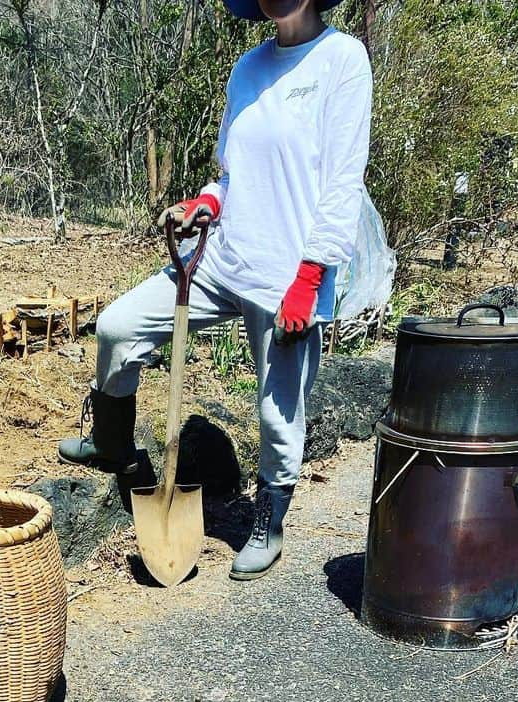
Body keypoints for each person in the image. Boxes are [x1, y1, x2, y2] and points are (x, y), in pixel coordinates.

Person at [59, 0, 372, 580]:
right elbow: (232, 174)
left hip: (288, 280)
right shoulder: (248, 67)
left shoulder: (342, 60)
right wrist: (207, 203)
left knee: (279, 413)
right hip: (220, 259)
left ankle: (269, 519)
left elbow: (342, 185)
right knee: (118, 328)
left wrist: (309, 280)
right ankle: (112, 444)